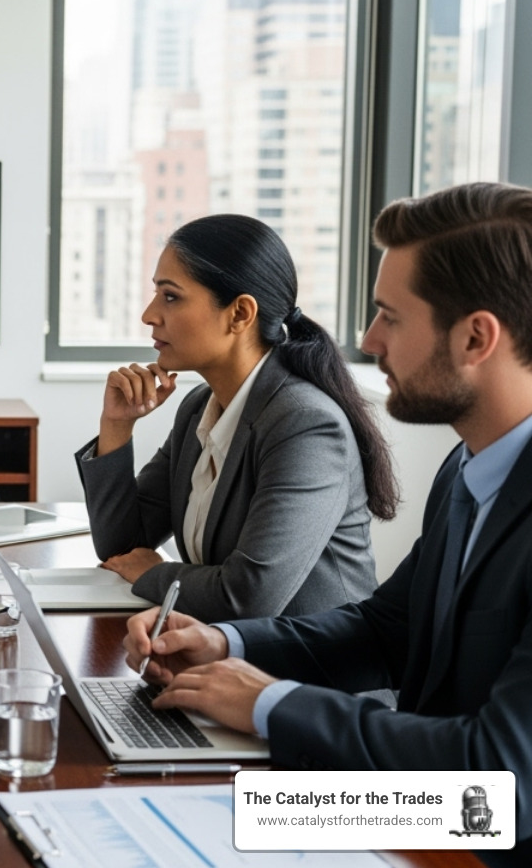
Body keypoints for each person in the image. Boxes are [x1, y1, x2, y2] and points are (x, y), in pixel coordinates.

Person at [133, 183, 532, 864]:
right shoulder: (470, 472)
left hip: (468, 832)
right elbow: (385, 632)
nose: (369, 340)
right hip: (421, 811)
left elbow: (501, 784)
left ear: (475, 337)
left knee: (210, 825)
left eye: (389, 317)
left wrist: (271, 703)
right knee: (160, 817)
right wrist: (225, 645)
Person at [76, 214, 396, 621]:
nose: (149, 315)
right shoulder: (199, 408)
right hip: (223, 664)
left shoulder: (306, 426)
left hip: (305, 677)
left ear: (240, 314)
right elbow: (122, 548)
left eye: (171, 296)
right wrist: (116, 427)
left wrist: (157, 573)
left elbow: (249, 598)